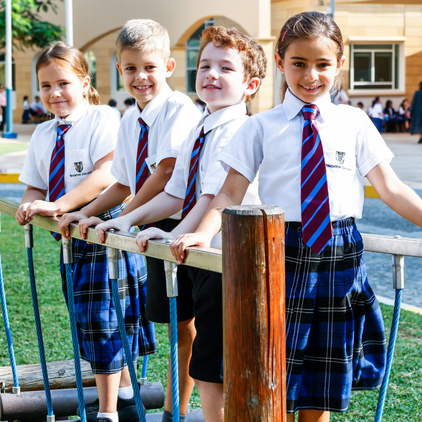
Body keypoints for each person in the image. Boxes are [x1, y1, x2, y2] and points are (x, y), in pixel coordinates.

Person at [168, 11, 422, 422]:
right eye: (299, 63)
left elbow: (392, 189)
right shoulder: (260, 127)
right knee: (276, 373)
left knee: (322, 381)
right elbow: (229, 191)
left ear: (339, 64)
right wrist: (202, 233)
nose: (311, 76)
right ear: (280, 61)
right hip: (278, 253)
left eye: (323, 64)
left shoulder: (353, 123)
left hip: (340, 258)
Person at [93, 25, 266, 422]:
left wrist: (172, 232)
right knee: (197, 349)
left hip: (227, 259)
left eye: (226, 68)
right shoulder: (200, 127)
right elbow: (175, 191)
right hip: (198, 254)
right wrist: (128, 219)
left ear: (250, 85)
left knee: (214, 360)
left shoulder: (241, 129)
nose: (211, 74)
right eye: (205, 65)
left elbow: (214, 197)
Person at [58, 19, 201, 422]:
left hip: (180, 223)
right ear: (119, 70)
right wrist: (83, 213)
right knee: (173, 320)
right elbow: (122, 180)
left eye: (150, 67)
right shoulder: (129, 119)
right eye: (131, 68)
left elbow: (165, 173)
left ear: (169, 67)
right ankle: (154, 402)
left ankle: (178, 408)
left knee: (187, 325)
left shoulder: (178, 108)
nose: (140, 77)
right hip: (149, 224)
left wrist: (125, 217)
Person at [15, 41, 156, 422]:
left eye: (63, 83)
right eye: (45, 86)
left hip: (105, 228)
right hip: (70, 239)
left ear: (84, 81)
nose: (54, 93)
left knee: (106, 318)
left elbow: (105, 175)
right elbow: (34, 184)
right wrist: (31, 203)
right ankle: (125, 393)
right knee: (90, 318)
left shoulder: (103, 119)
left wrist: (60, 205)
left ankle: (106, 412)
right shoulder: (44, 134)